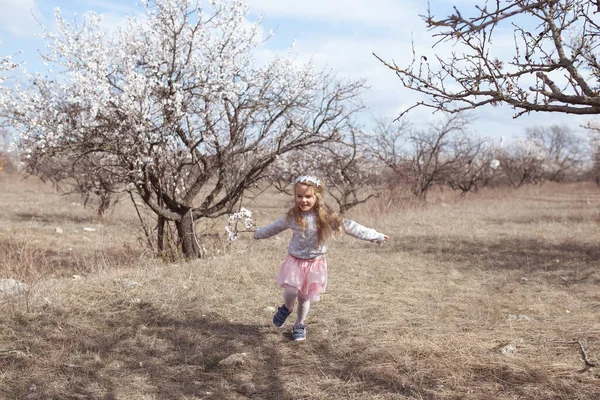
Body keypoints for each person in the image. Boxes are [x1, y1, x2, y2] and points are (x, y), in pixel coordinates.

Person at [254, 175, 388, 341]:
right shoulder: (292, 217)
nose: (303, 200)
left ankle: (299, 324)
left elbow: (350, 227)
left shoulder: (326, 216)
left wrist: (375, 236)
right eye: (299, 196)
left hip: (315, 264)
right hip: (296, 261)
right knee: (290, 290)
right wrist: (257, 233)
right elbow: (273, 228)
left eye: (308, 196)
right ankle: (287, 308)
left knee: (304, 297)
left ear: (317, 197)